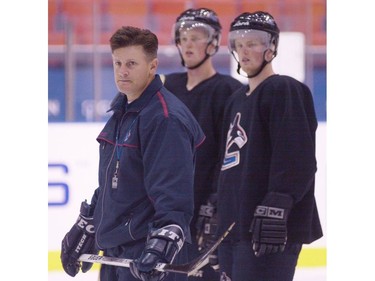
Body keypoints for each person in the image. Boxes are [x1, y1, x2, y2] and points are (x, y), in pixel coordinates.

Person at [60, 26, 205, 281]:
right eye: (117, 63)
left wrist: (161, 247)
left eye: (131, 63)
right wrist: (89, 225)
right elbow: (116, 182)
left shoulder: (164, 119)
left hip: (146, 256)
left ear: (152, 66)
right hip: (118, 252)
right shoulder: (123, 110)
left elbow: (172, 194)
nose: (122, 71)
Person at [216, 11, 323, 281]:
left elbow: (297, 157)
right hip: (235, 229)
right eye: (239, 45)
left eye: (252, 43)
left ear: (271, 47)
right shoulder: (236, 99)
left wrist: (278, 204)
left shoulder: (284, 89)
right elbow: (230, 166)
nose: (244, 51)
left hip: (268, 227)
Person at [162, 8, 243, 281]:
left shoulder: (230, 90)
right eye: (183, 37)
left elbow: (229, 155)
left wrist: (217, 202)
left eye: (196, 37)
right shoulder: (166, 87)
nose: (188, 44)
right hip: (166, 205)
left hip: (206, 208)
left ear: (213, 43)